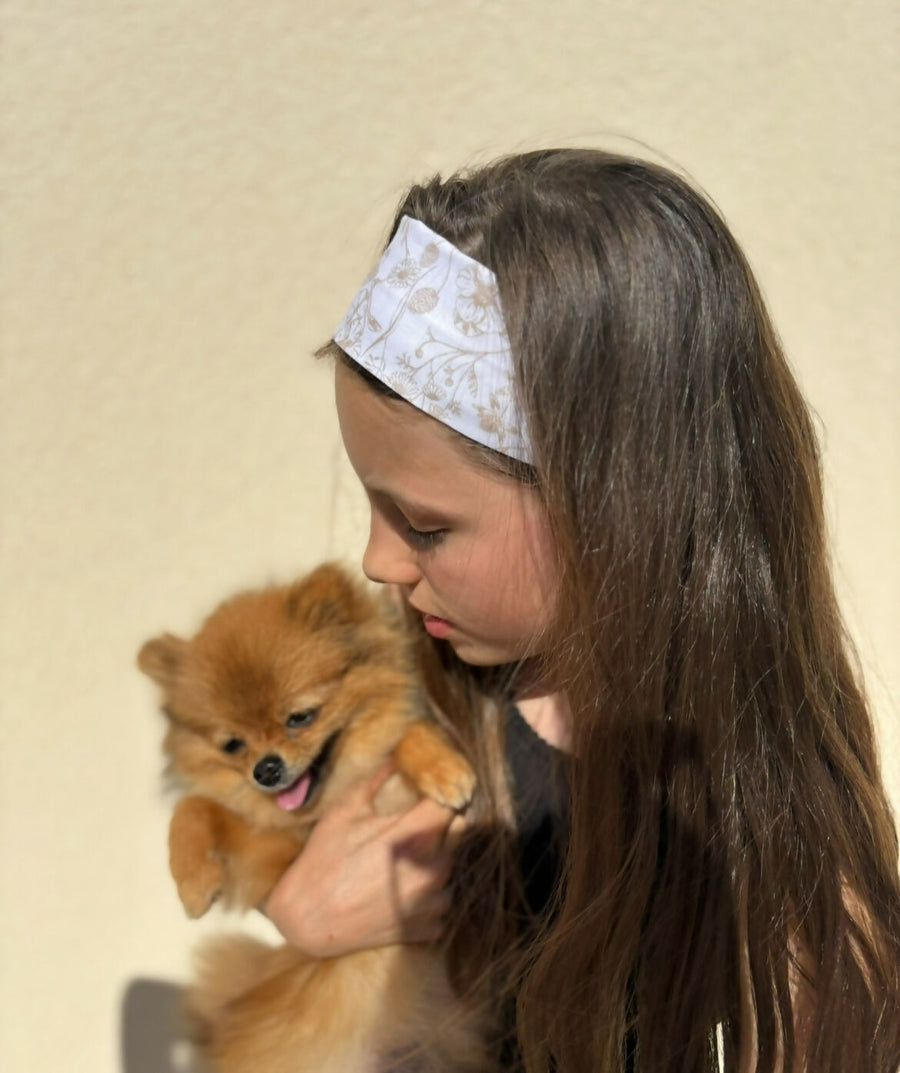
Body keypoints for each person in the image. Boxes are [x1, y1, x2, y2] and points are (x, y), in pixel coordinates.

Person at [265, 149, 900, 1072]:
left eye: (426, 525)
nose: (377, 562)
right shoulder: (429, 713)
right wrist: (307, 923)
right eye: (373, 504)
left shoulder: (771, 896)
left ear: (616, 507)